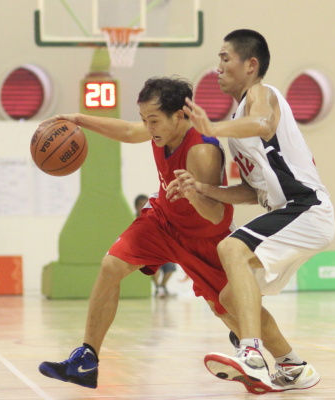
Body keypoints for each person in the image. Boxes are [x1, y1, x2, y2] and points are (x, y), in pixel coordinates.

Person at [37, 77, 301, 395]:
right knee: (110, 267)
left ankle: (288, 363)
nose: (148, 128)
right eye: (145, 119)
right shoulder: (159, 131)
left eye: (153, 120)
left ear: (179, 115)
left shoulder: (202, 151)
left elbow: (216, 215)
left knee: (232, 310)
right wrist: (79, 119)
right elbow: (126, 130)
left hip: (205, 239)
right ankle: (86, 360)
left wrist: (193, 194)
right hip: (161, 222)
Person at [173, 29, 335, 392]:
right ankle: (294, 366)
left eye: (225, 58)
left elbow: (263, 123)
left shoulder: (262, 95)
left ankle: (252, 353)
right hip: (288, 212)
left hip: (306, 207)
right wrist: (202, 189)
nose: (217, 68)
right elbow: (251, 193)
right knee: (231, 298)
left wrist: (212, 126)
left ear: (251, 64)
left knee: (231, 248)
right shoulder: (237, 124)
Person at [134, 193, 176, 298]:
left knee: (171, 264)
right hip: (146, 253)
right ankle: (157, 287)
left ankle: (162, 287)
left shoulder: (154, 217)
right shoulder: (135, 221)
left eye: (145, 204)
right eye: (141, 205)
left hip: (159, 250)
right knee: (153, 266)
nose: (144, 207)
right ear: (136, 207)